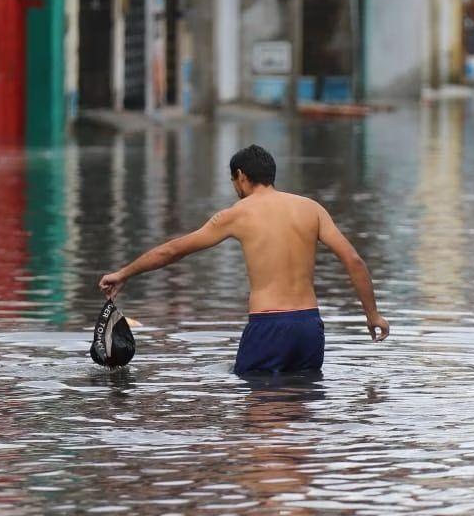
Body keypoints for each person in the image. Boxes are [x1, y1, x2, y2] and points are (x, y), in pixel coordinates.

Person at [99, 144, 390, 376]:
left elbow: (172, 251)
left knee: (259, 429)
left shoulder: (237, 214)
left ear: (241, 176)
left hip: (268, 326)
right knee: (301, 416)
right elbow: (354, 260)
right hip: (309, 326)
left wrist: (124, 273)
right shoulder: (311, 209)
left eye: (233, 181)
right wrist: (372, 314)